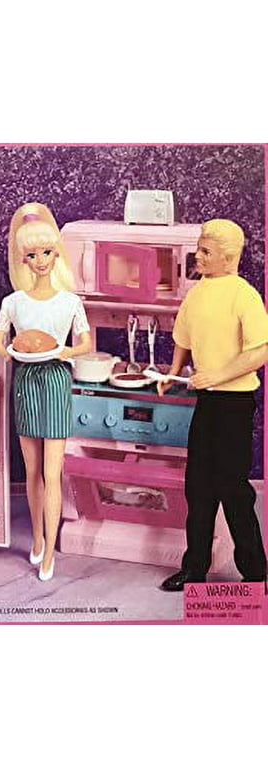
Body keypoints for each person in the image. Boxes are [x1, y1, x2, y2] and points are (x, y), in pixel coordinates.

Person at [157, 219, 268, 590]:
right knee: (198, 486)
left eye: (205, 252)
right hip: (207, 403)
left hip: (235, 404)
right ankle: (195, 568)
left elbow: (260, 352)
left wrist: (217, 375)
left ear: (229, 257)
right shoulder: (197, 293)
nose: (198, 257)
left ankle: (256, 573)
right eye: (198, 249)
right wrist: (172, 372)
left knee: (233, 489)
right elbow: (183, 337)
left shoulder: (244, 296)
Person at [0, 203, 92, 581]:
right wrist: (11, 352)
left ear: (56, 254)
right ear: (24, 259)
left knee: (53, 472)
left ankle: (49, 550)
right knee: (32, 470)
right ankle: (36, 536)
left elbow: (85, 342)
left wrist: (65, 352)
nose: (41, 261)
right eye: (33, 255)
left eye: (46, 252)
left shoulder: (70, 302)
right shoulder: (13, 302)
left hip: (56, 380)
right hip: (25, 380)